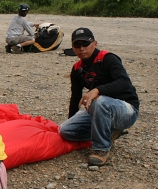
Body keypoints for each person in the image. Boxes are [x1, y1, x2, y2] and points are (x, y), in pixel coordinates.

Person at [59, 28, 140, 166]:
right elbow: (75, 97)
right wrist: (72, 121)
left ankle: (101, 148)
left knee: (99, 101)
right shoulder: (77, 68)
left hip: (126, 109)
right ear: (73, 47)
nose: (82, 48)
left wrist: (97, 90)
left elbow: (124, 82)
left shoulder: (108, 59)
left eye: (85, 44)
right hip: (99, 109)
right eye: (77, 45)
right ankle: (109, 132)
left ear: (95, 43)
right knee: (66, 131)